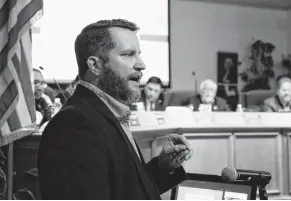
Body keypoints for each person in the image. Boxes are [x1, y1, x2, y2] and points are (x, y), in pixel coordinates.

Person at [37, 19, 193, 200]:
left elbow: (125, 190)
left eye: (139, 54)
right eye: (128, 54)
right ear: (95, 65)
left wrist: (163, 166)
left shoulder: (107, 113)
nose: (141, 64)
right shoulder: (74, 125)